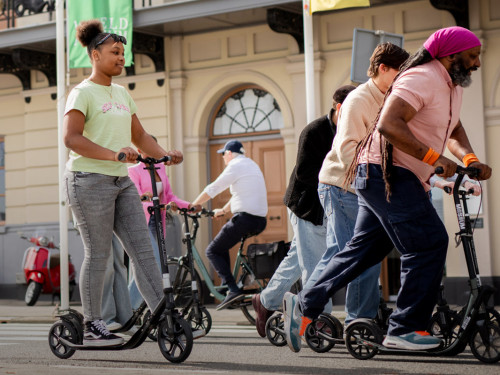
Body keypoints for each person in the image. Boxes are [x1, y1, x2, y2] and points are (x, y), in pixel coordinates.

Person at [283, 26, 492, 352]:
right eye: (473, 55)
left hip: (389, 175)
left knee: (362, 252)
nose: (477, 63)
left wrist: (469, 157)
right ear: (451, 54)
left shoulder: (451, 86)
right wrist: (433, 159)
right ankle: (404, 327)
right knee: (428, 242)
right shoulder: (422, 77)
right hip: (388, 173)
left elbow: (455, 126)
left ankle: (304, 305)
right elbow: (389, 124)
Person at [64, 19, 183, 347]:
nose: (121, 58)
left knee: (143, 252)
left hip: (120, 183)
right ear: (94, 55)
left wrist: (164, 156)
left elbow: (140, 136)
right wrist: (113, 154)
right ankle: (92, 322)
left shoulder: (121, 93)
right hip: (87, 181)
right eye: (115, 52)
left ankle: (164, 316)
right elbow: (71, 138)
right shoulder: (82, 93)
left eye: (123, 53)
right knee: (99, 253)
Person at [304, 43, 409, 328]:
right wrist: (376, 181)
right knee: (360, 256)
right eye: (399, 71)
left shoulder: (387, 99)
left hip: (361, 186)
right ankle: (357, 320)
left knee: (341, 254)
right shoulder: (359, 99)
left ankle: (304, 306)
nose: (403, 77)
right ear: (382, 69)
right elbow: (347, 148)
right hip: (343, 186)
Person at [251, 84, 356, 337]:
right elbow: (304, 175)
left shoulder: (349, 130)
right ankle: (319, 318)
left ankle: (265, 301)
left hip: (328, 206)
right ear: (340, 108)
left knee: (298, 260)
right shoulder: (314, 132)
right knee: (316, 263)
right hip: (307, 206)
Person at [191, 140, 268, 310]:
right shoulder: (251, 165)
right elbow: (240, 193)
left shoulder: (235, 165)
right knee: (222, 247)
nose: (223, 158)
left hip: (245, 218)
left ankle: (232, 289)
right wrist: (224, 211)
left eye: (223, 154)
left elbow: (214, 188)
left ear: (230, 153)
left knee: (211, 250)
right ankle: (230, 289)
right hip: (259, 220)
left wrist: (193, 205)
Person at [127, 135, 193, 310]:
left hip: (157, 220)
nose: (154, 150)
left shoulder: (160, 168)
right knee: (153, 262)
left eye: (155, 146)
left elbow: (169, 196)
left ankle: (131, 308)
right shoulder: (133, 170)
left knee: (146, 265)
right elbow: (135, 198)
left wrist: (189, 206)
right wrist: (150, 200)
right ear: (140, 150)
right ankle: (133, 307)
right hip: (141, 220)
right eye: (149, 146)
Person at [101, 234, 135, 332]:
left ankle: (126, 319)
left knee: (119, 265)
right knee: (106, 266)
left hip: (113, 219)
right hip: (96, 220)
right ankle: (106, 318)